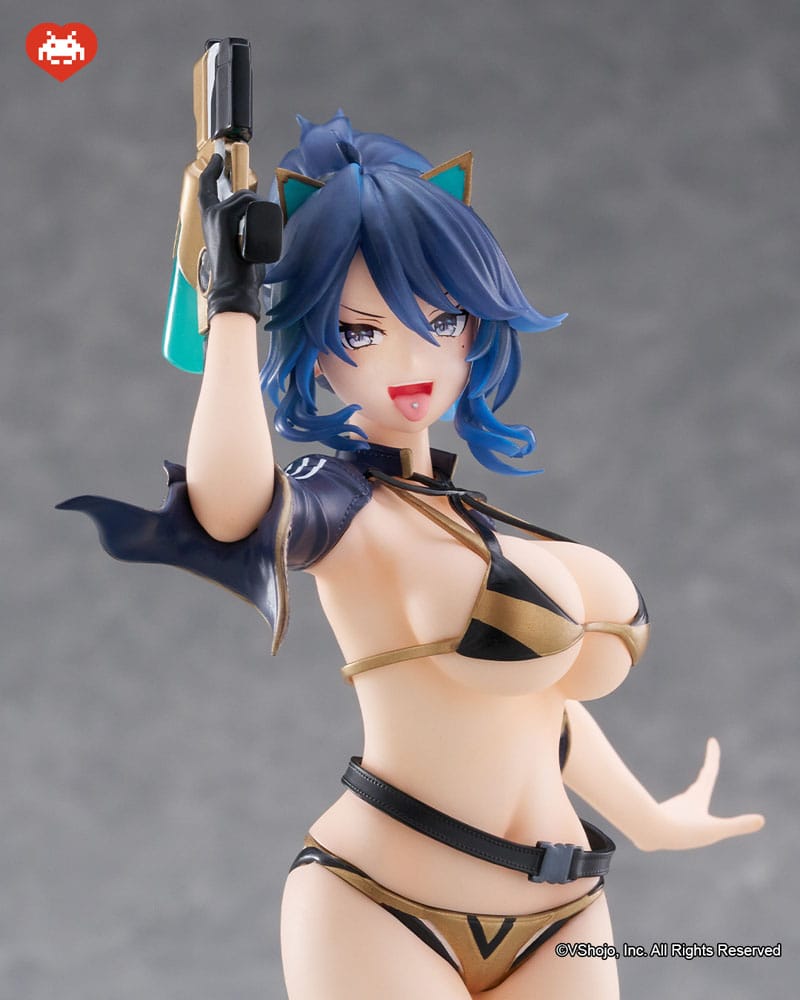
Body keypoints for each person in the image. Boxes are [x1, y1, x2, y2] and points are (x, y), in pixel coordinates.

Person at [61, 113, 764, 999]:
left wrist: (647, 819)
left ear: (476, 328)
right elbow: (229, 507)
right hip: (380, 903)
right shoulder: (343, 507)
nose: (413, 357)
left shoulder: (476, 519)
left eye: (443, 318)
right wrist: (233, 306)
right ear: (312, 341)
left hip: (563, 908)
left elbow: (535, 708)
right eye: (361, 331)